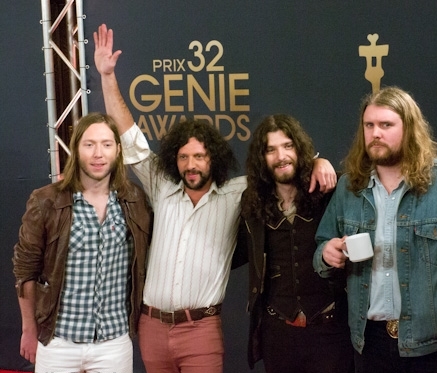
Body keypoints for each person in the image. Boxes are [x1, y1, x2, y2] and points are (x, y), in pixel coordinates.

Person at [93, 23, 337, 373]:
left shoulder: (237, 193)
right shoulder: (162, 186)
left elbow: (281, 163)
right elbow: (129, 137)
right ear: (173, 159)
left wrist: (317, 159)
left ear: (215, 159)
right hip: (151, 327)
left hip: (201, 330)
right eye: (183, 157)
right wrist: (107, 75)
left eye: (200, 157)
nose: (191, 165)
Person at [313, 86, 437, 373]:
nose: (375, 133)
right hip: (369, 344)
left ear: (409, 129)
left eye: (386, 125)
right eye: (369, 125)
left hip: (435, 345)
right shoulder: (348, 188)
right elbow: (322, 246)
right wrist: (327, 254)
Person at [13, 113, 152, 373]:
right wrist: (29, 329)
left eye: (106, 144)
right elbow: (25, 271)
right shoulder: (46, 201)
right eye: (89, 144)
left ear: (118, 150)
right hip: (58, 341)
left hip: (114, 342)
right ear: (76, 148)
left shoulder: (135, 200)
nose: (98, 153)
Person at [234, 114, 354, 372]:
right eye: (271, 149)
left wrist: (320, 162)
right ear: (261, 158)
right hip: (277, 334)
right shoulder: (252, 200)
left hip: (330, 332)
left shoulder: (329, 191)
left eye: (288, 146)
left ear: (300, 150)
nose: (281, 156)